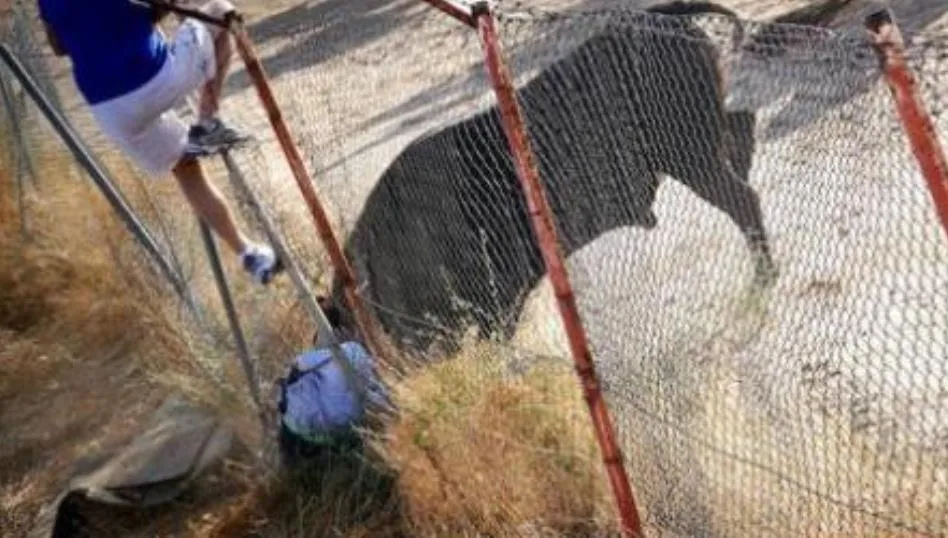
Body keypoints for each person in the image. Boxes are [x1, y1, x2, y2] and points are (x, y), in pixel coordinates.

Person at [37, 0, 283, 284]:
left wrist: (92, 30)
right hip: (154, 78)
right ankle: (208, 123)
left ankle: (249, 254)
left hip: (110, 109)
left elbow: (58, 46)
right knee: (219, 10)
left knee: (185, 167)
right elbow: (157, 10)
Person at [275, 299, 391, 468]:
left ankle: (288, 467)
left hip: (316, 428)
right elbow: (371, 383)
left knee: (290, 416)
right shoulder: (355, 350)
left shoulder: (308, 360)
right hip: (352, 423)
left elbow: (289, 390)